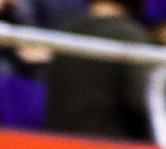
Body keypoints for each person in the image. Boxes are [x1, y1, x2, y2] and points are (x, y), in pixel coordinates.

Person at [43, 0, 153, 140]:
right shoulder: (129, 34)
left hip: (58, 141)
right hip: (110, 146)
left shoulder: (68, 27)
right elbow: (142, 101)